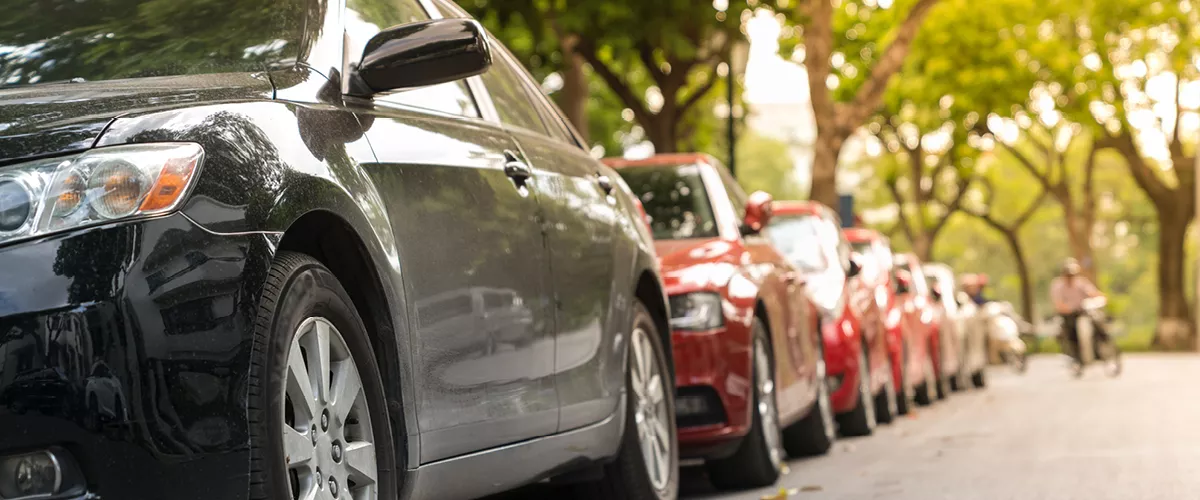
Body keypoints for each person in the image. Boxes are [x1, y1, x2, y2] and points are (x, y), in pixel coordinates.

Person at [1050, 258, 1106, 362]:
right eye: (1068, 275)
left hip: (1083, 311)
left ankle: (1101, 344)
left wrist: (1101, 297)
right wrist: (1069, 308)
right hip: (1069, 314)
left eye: (1073, 274)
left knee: (1096, 322)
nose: (1071, 277)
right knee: (1072, 332)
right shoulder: (1058, 285)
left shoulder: (1081, 282)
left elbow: (1092, 293)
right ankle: (1076, 355)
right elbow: (1058, 303)